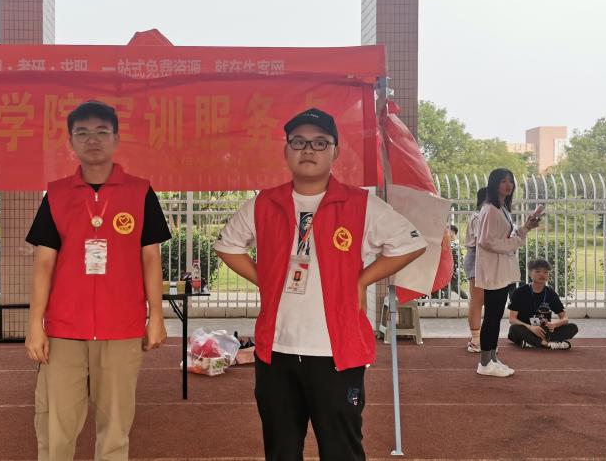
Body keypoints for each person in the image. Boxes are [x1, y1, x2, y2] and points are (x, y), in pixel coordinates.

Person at [215, 108, 427, 460]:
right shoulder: (264, 203)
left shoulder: (361, 204)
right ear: (286, 150)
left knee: (341, 451)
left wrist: (363, 280)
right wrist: (267, 281)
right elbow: (228, 247)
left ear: (335, 151)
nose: (308, 150)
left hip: (336, 353)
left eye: (319, 142)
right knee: (281, 451)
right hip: (277, 352)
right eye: (298, 142)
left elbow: (411, 244)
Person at [24, 100, 171, 461]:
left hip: (122, 327)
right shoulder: (57, 195)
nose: (93, 140)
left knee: (116, 428)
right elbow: (44, 263)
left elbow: (151, 258)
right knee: (56, 426)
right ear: (70, 142)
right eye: (83, 133)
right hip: (64, 329)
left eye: (102, 132)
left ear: (116, 139)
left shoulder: (140, 192)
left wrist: (156, 316)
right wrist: (34, 325)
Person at [474, 168, 541, 377]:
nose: (508, 185)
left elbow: (506, 236)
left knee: (495, 317)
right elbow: (487, 241)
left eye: (510, 181)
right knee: (491, 318)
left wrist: (526, 228)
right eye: (503, 181)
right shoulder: (490, 210)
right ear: (494, 184)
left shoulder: (501, 208)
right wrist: (514, 242)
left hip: (500, 270)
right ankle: (485, 363)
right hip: (493, 271)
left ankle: (492, 358)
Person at [508, 258, 578, 349]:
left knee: (573, 327)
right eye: (538, 271)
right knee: (514, 329)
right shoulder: (519, 292)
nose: (542, 274)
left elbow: (564, 318)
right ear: (530, 274)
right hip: (526, 329)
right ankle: (548, 344)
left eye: (545, 272)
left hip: (544, 330)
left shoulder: (551, 293)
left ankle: (533, 342)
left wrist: (555, 324)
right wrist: (530, 327)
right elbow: (512, 319)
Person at [465, 187, 488, 353]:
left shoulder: (486, 215)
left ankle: (483, 338)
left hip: (488, 259)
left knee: (487, 301)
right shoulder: (478, 216)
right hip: (478, 258)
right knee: (477, 301)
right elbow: (482, 241)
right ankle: (476, 339)